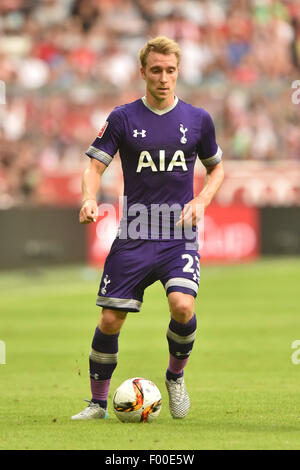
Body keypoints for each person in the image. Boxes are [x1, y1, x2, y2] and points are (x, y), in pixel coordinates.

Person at [71, 36, 224, 421]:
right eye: (155, 70)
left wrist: (202, 200)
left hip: (178, 236)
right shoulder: (123, 118)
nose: (163, 77)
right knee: (110, 320)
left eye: (170, 70)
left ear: (178, 72)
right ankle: (97, 404)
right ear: (142, 73)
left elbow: (217, 168)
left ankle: (175, 377)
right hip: (135, 233)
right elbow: (94, 166)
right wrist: (89, 197)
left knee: (182, 305)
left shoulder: (198, 119)